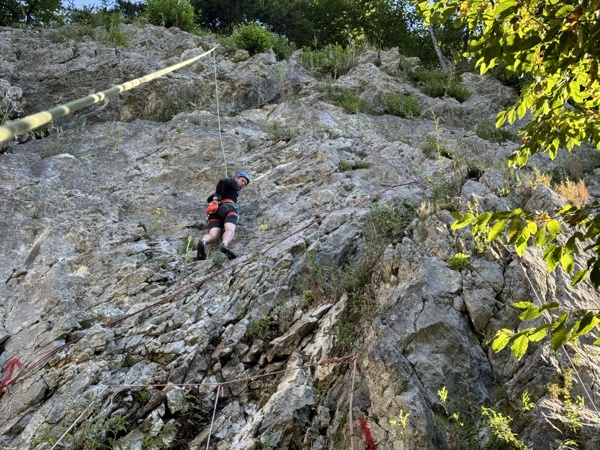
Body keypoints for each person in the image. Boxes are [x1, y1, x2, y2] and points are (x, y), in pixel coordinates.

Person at [197, 172, 251, 260]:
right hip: (229, 208)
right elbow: (222, 181)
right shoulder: (233, 182)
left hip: (215, 213)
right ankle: (224, 244)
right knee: (230, 229)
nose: (244, 184)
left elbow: (208, 199)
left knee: (213, 236)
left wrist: (216, 197)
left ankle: (203, 242)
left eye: (245, 184)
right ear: (236, 178)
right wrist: (217, 197)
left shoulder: (227, 189)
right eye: (243, 180)